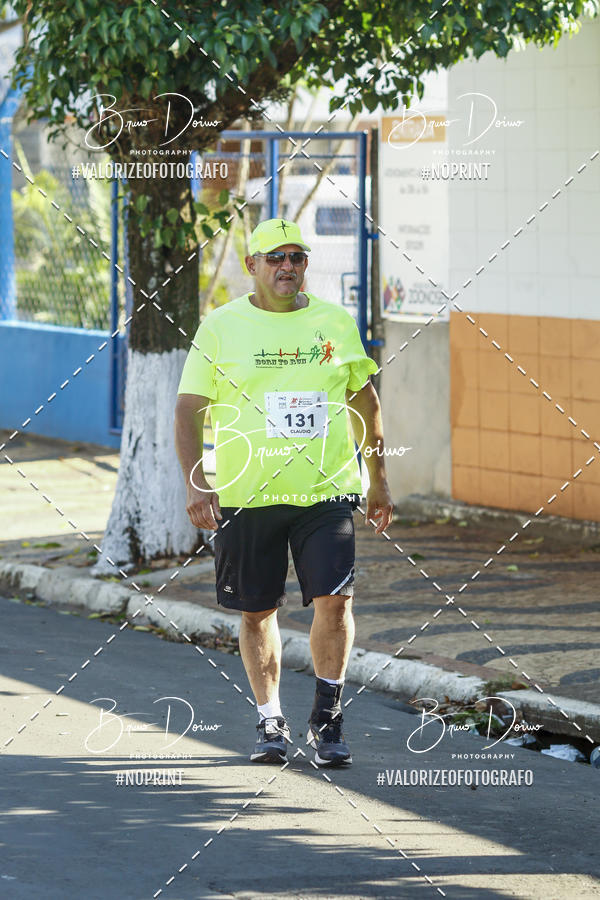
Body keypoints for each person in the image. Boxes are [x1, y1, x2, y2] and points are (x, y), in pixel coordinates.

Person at [174, 218, 393, 767]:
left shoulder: (334, 322)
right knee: (256, 613)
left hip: (326, 491)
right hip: (248, 496)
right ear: (252, 266)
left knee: (335, 601)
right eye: (275, 257)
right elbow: (188, 410)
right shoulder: (221, 327)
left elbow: (365, 403)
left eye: (296, 256)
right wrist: (198, 482)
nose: (287, 266)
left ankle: (328, 714)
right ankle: (271, 719)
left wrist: (380, 478)